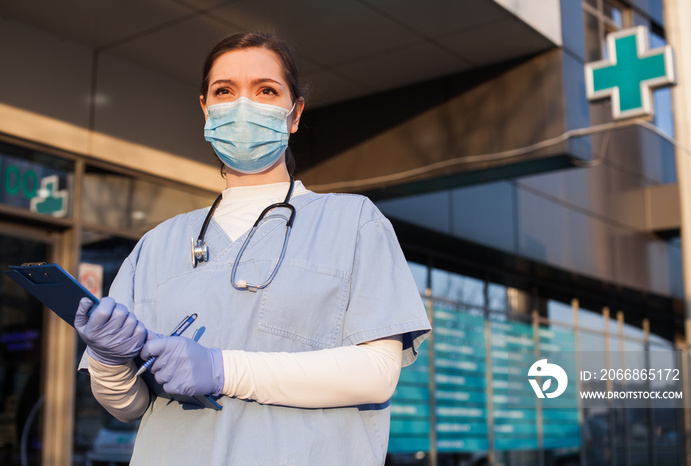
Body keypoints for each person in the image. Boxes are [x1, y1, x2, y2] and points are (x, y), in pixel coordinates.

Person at [75, 32, 431, 465]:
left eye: (266, 90)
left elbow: (377, 375)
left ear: (294, 113)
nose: (243, 106)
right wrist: (109, 361)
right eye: (224, 91)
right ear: (206, 111)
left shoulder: (354, 221)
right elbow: (127, 406)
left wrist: (224, 370)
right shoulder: (157, 245)